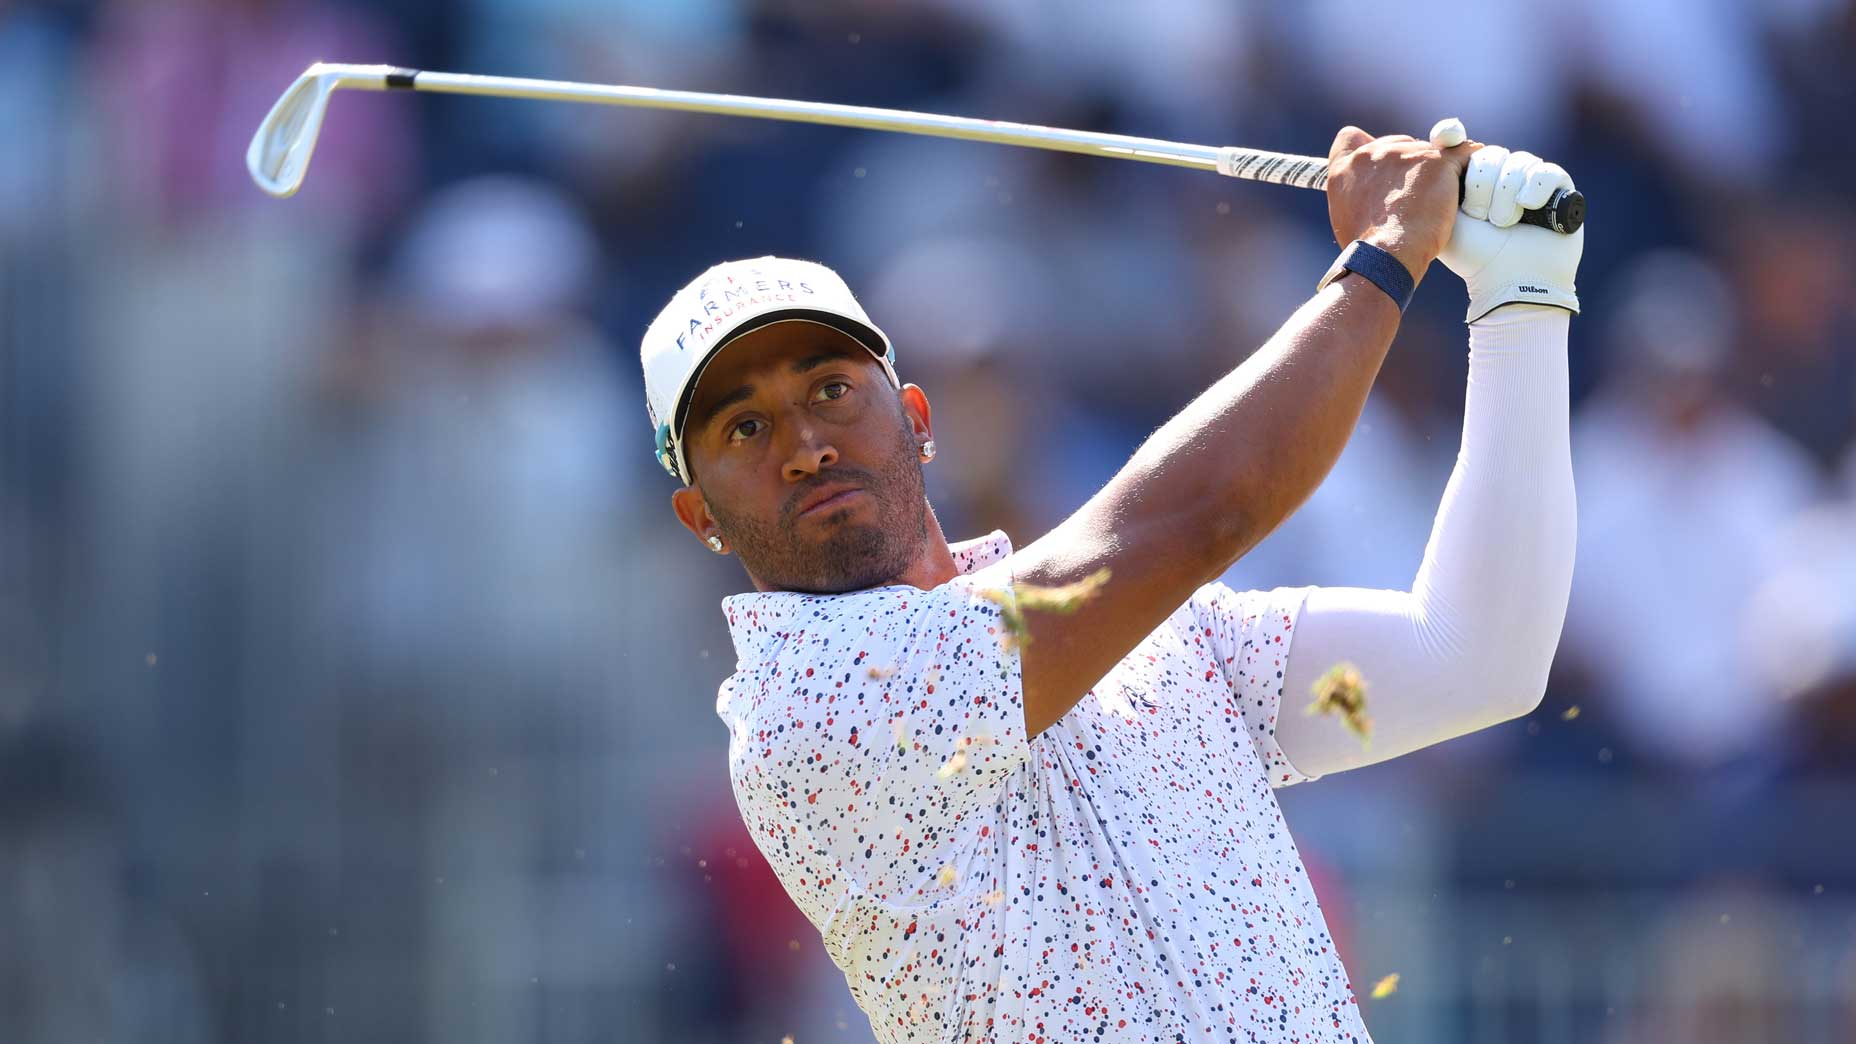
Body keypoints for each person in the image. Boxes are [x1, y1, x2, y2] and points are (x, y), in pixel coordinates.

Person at [638, 121, 1584, 1042]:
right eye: (744, 430)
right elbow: (1204, 513)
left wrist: (1522, 297)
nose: (804, 445)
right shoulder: (802, 713)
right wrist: (1384, 258)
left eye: (831, 389)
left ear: (917, 419)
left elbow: (1474, 657)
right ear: (702, 519)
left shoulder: (1154, 639)